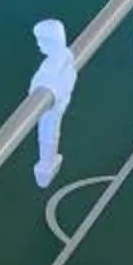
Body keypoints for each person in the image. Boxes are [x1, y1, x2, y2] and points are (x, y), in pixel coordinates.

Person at [27, 19, 77, 187]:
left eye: (41, 41)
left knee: (48, 134)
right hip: (53, 102)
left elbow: (63, 81)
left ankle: (46, 165)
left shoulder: (56, 66)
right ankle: (46, 164)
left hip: (53, 105)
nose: (38, 44)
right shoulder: (62, 60)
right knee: (48, 134)